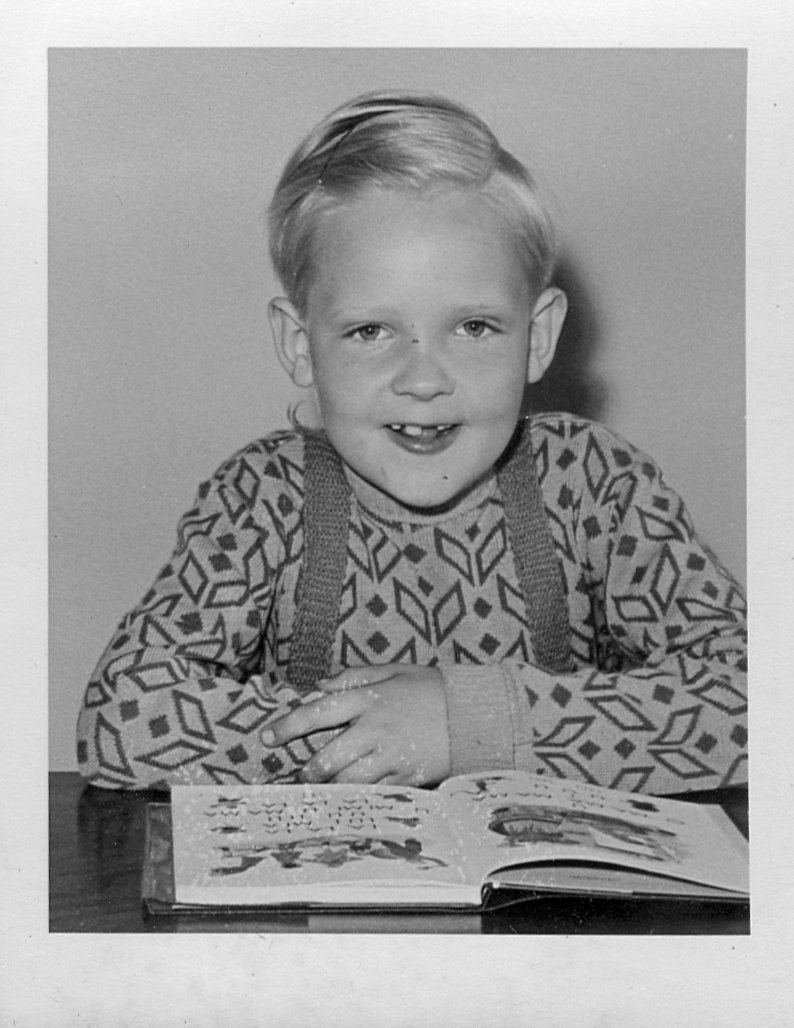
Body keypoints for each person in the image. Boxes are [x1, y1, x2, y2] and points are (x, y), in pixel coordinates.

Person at [76, 91, 747, 795]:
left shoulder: (598, 484)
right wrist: (378, 735)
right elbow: (121, 716)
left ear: (538, 337)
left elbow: (754, 696)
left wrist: (470, 725)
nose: (423, 379)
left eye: (475, 327)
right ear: (301, 348)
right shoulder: (262, 497)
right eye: (371, 332)